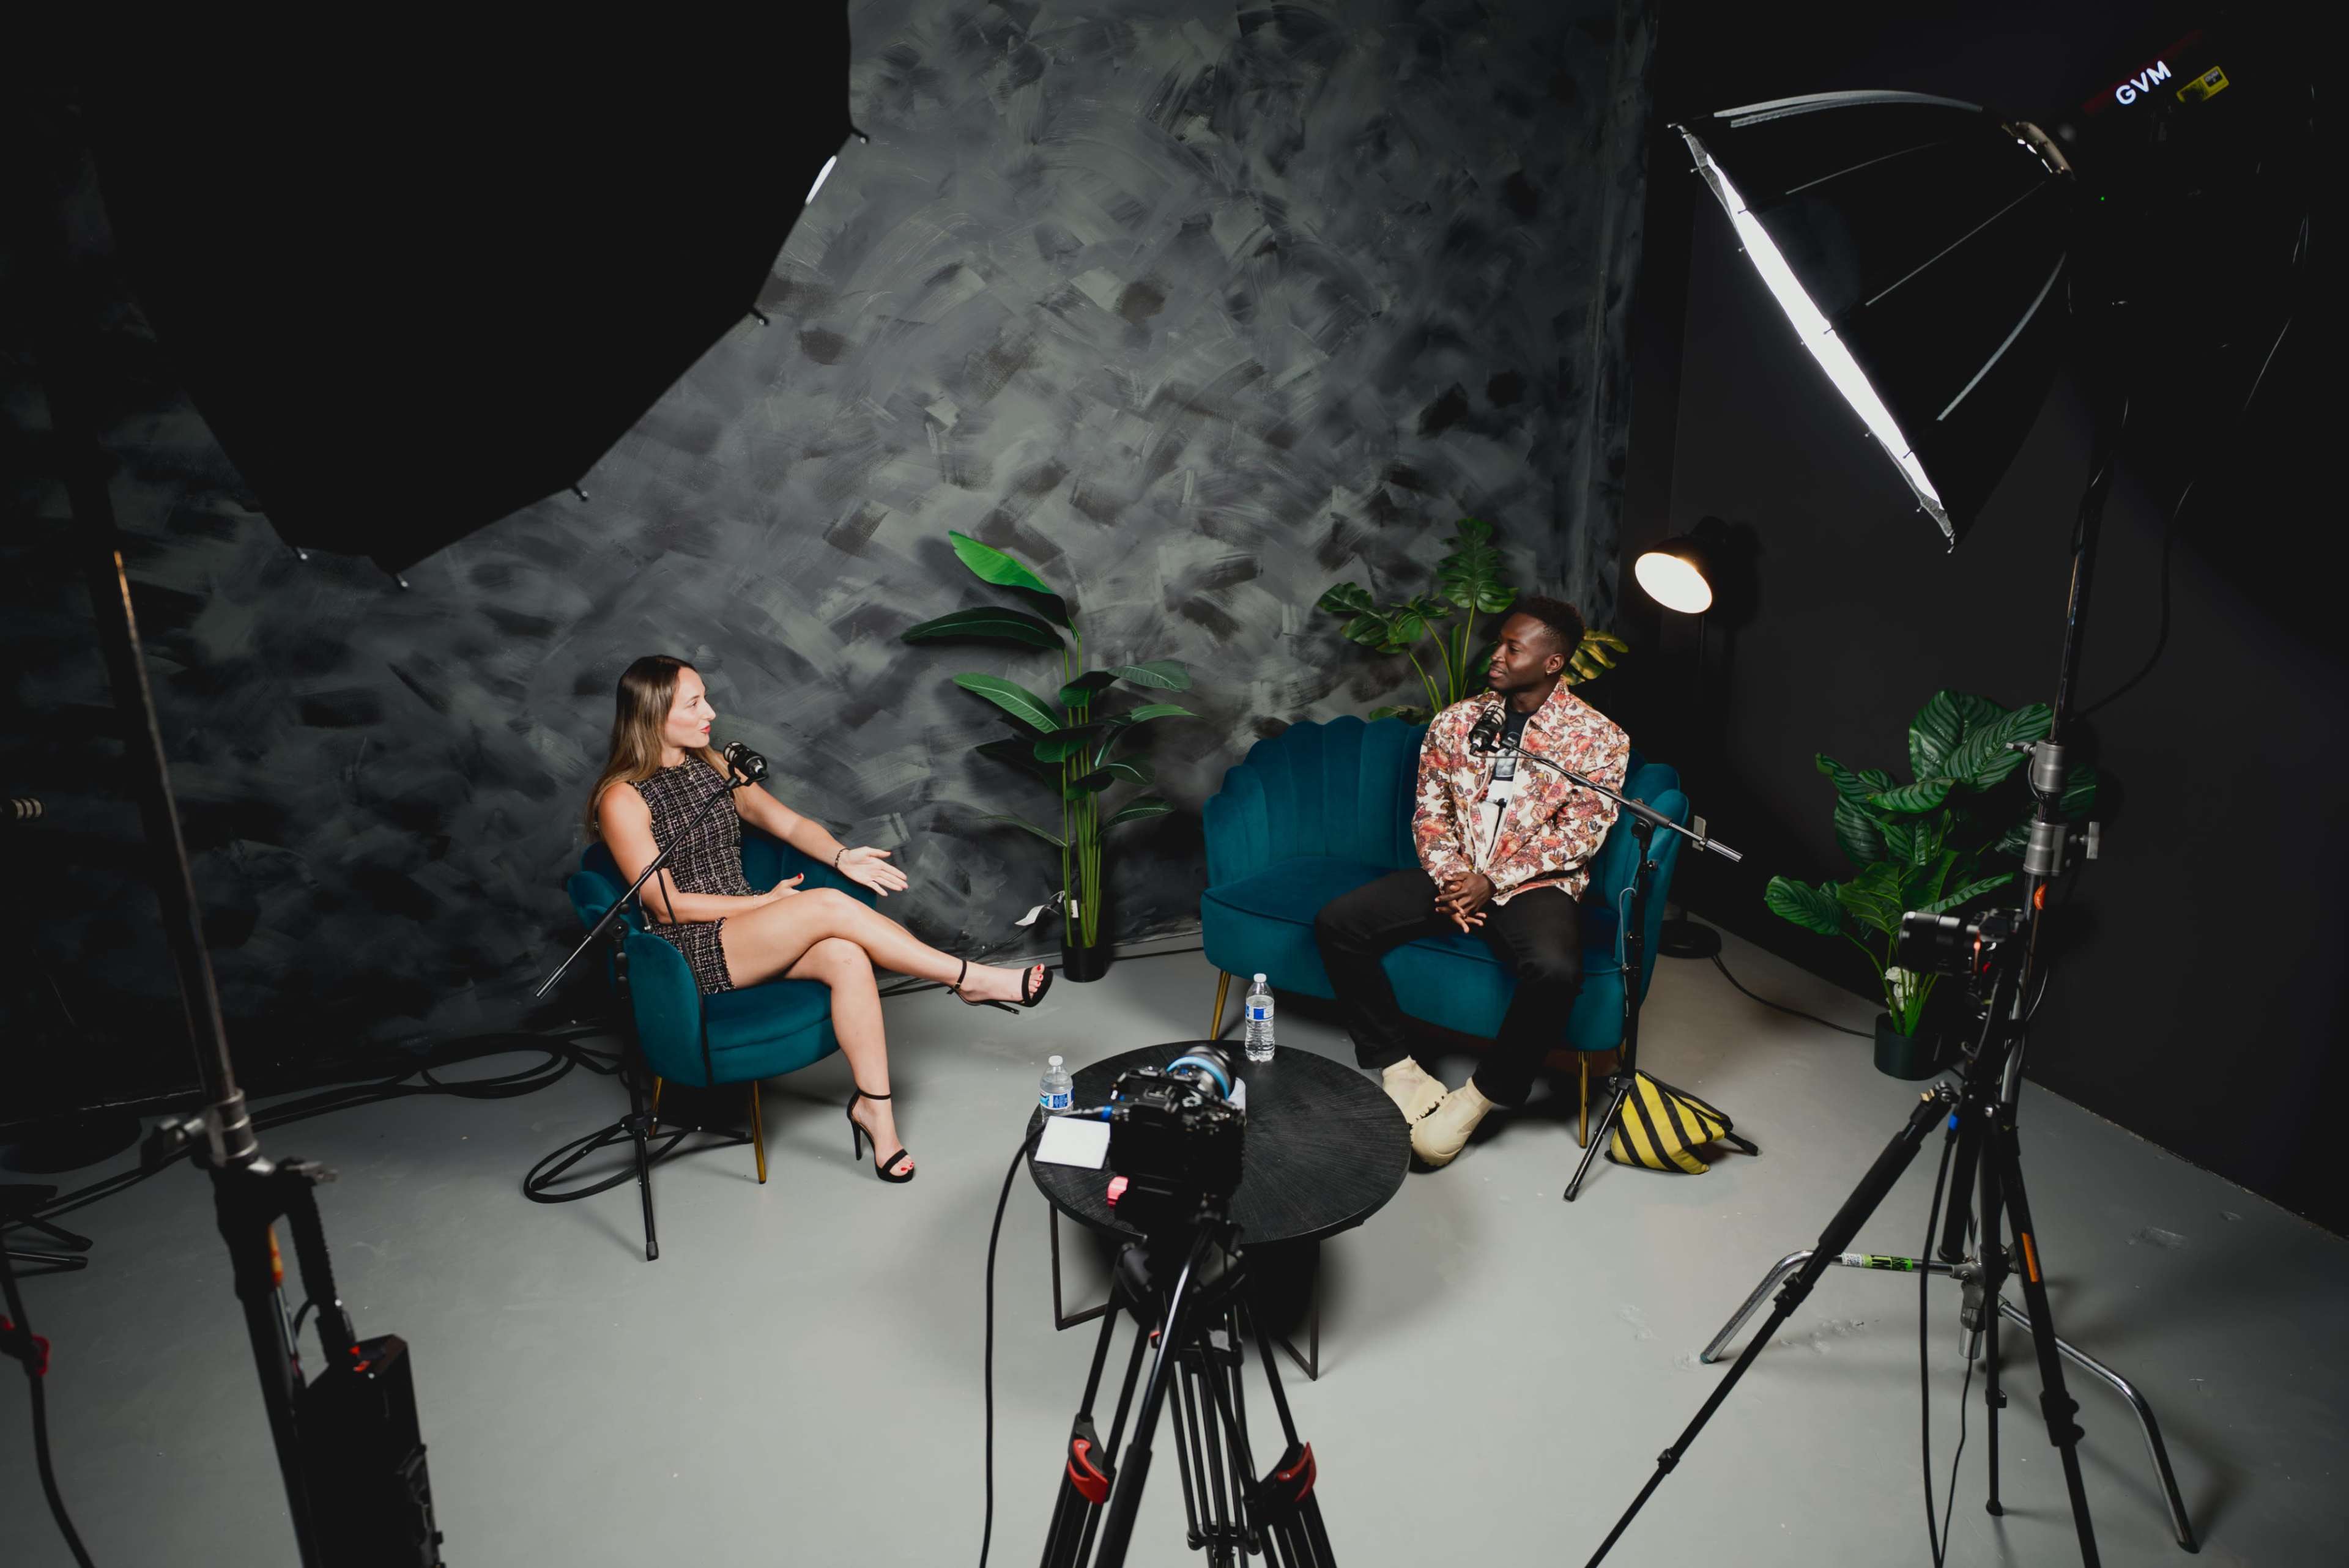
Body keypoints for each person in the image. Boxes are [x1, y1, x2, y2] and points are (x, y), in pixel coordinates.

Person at [587, 655, 1051, 1183]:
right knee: (828, 908)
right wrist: (763, 905)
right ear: (653, 716)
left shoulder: (709, 765)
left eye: (705, 697)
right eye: (694, 704)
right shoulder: (622, 798)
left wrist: (840, 857)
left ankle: (877, 1111)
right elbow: (663, 903)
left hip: (748, 932)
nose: (710, 711)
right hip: (688, 949)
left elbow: (782, 821)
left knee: (847, 955)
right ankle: (971, 979)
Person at [1312, 597, 1628, 1168]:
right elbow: (1429, 814)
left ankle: (1479, 1098)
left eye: (1514, 647)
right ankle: (1401, 1070)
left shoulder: (1599, 739)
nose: (1498, 655)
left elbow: (1579, 836)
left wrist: (1494, 881)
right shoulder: (1456, 722)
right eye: (1499, 642)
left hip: (1537, 885)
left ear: (1553, 663)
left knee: (1556, 972)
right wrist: (1456, 878)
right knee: (1338, 924)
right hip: (1455, 872)